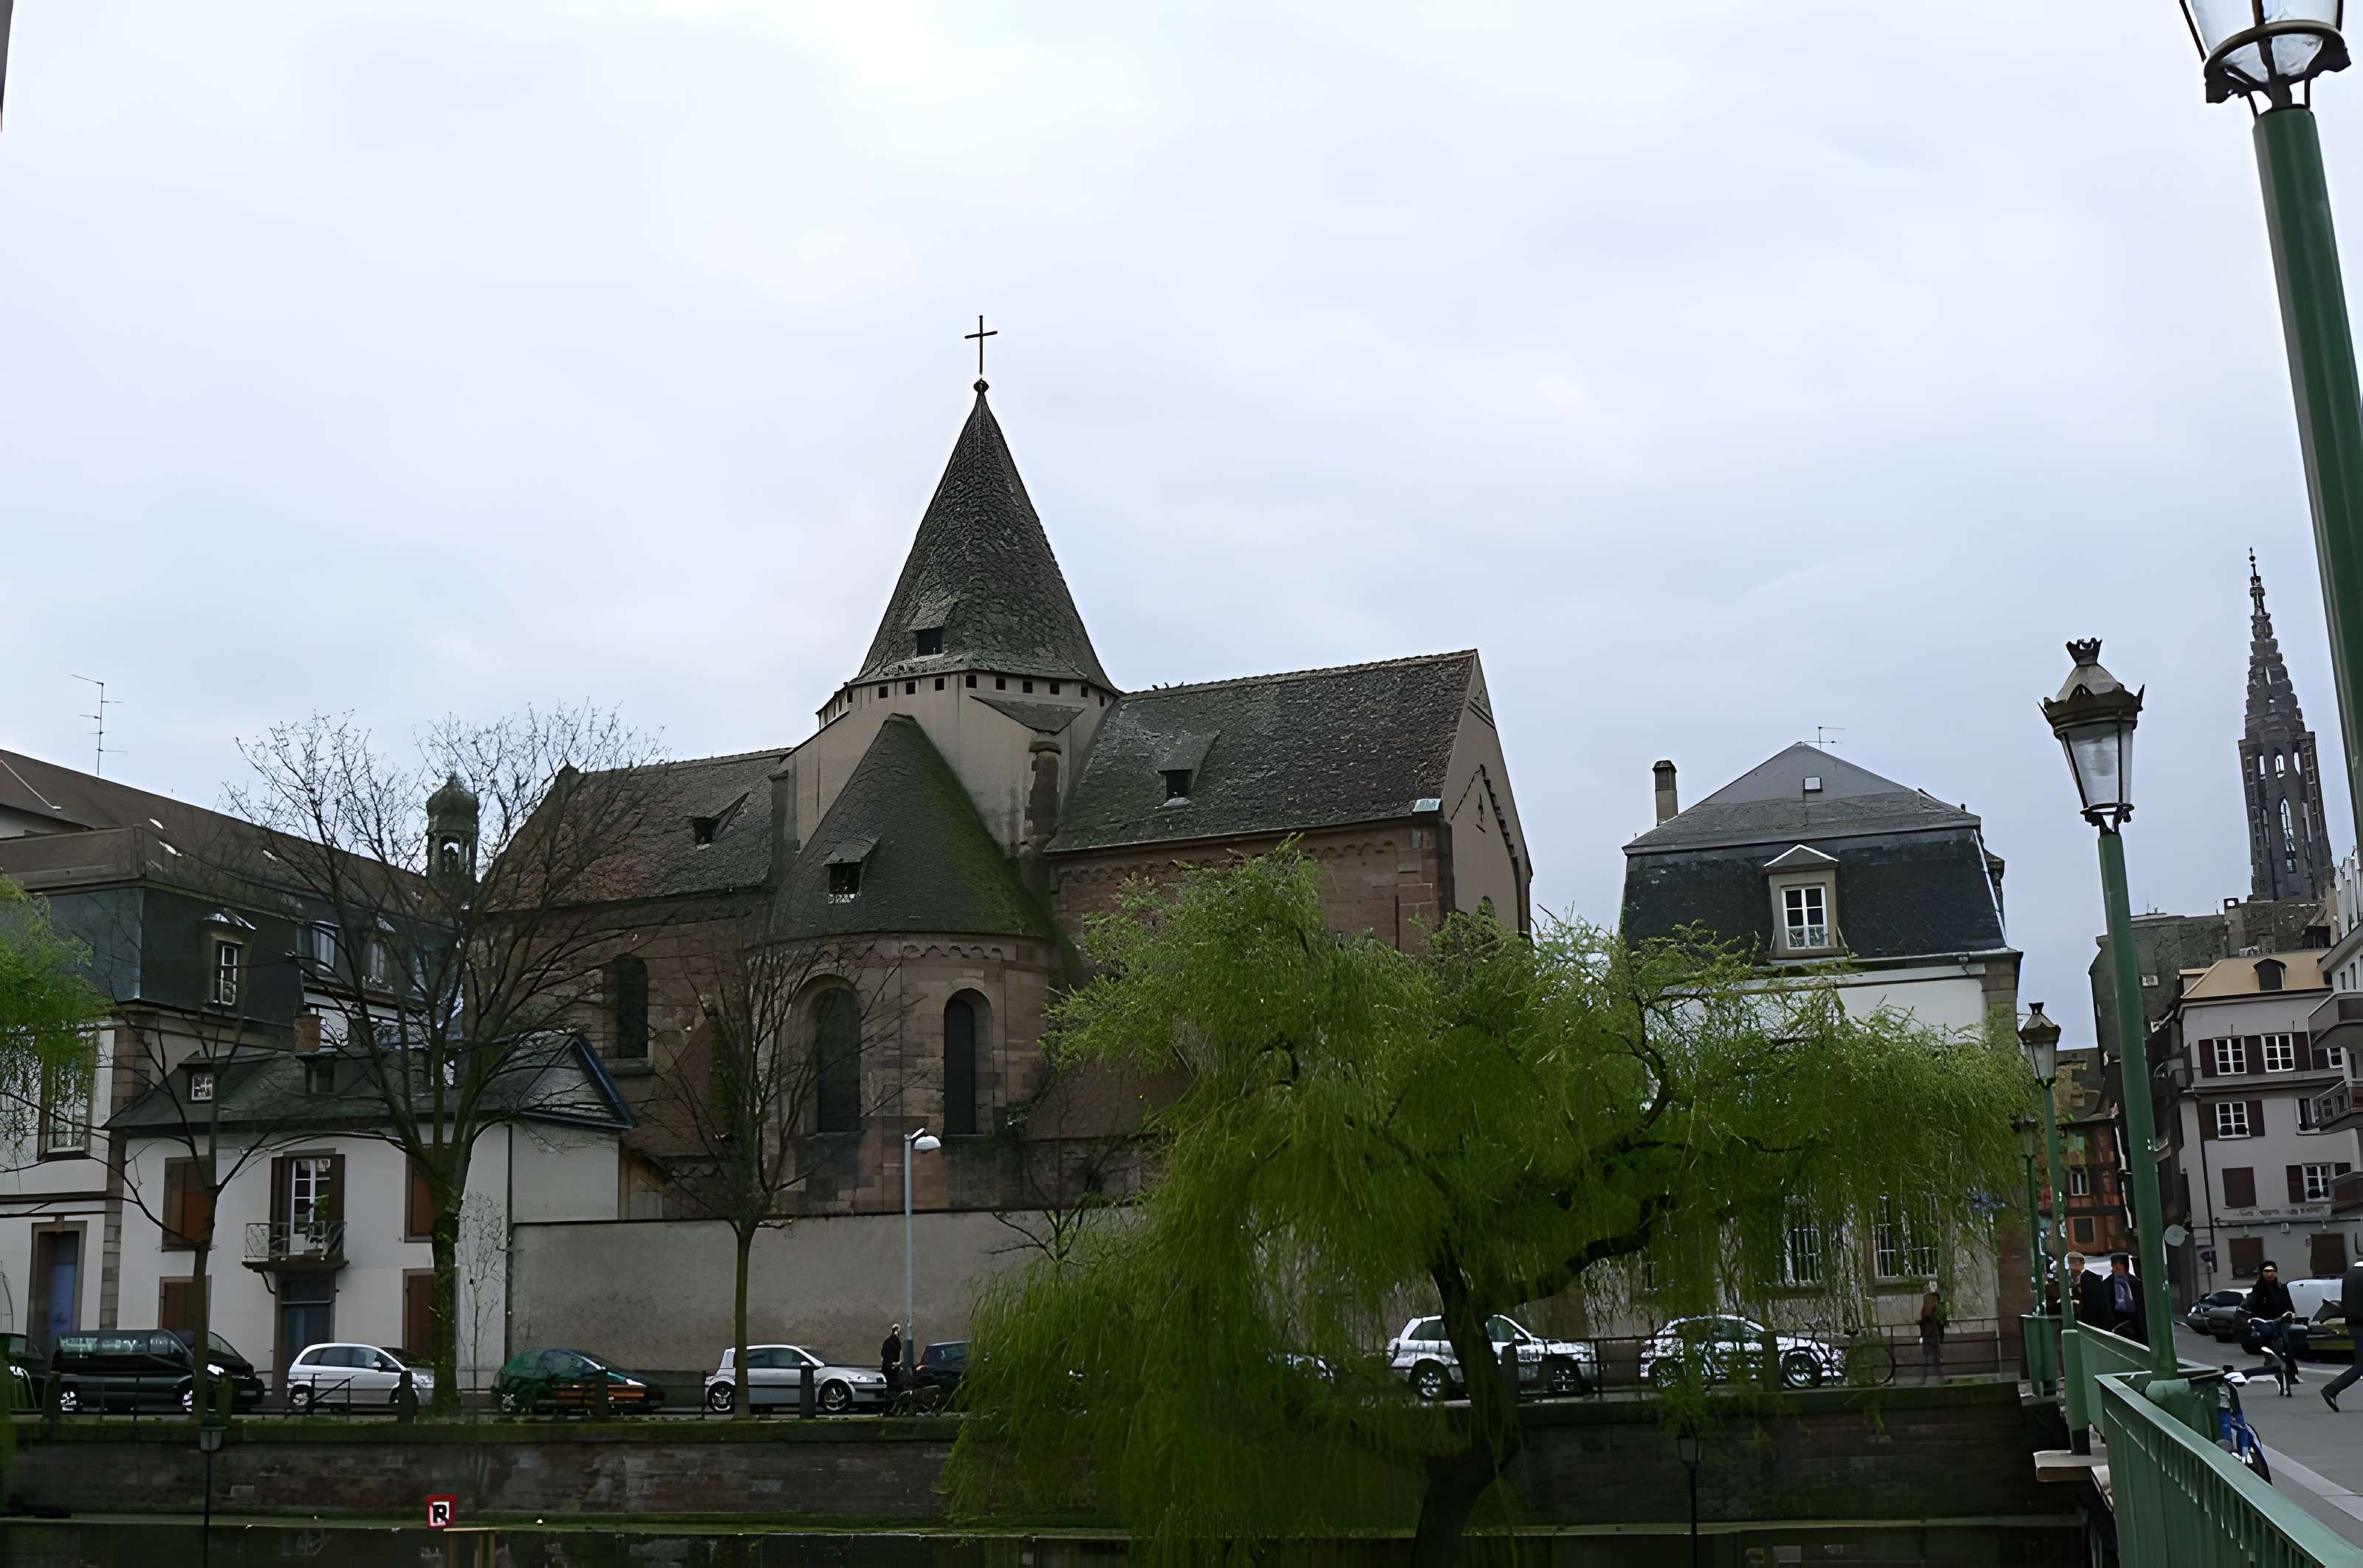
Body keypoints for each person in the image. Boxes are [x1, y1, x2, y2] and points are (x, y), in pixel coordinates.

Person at [2245, 1260, 2300, 1394]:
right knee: (2274, 1351)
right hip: (2264, 1324)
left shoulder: (2281, 1288)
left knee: (2287, 1347)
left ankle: (2290, 1374)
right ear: (2262, 1273)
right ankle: (2276, 1371)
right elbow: (2251, 1308)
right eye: (2267, 1271)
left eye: (2272, 1271)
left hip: (2281, 1323)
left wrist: (2291, 1315)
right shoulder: (2258, 1289)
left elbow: (2290, 1306)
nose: (2270, 1274)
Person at [2324, 1257, 2363, 1411]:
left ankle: (2332, 1390)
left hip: (2353, 1324)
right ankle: (2331, 1389)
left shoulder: (2349, 1274)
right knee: (2361, 1365)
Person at [2105, 1255, 2147, 1345]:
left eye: (2121, 1263)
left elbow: (2141, 1305)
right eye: (2115, 1263)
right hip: (2117, 1324)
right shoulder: (2108, 1283)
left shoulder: (2135, 1282)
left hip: (2136, 1324)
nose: (2118, 1266)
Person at [1918, 1286, 1947, 1381]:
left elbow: (1940, 1323)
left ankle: (1933, 1376)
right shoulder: (1929, 1312)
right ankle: (1928, 1377)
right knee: (1929, 1358)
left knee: (1935, 1357)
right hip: (1929, 1335)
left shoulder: (1934, 1311)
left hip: (1932, 1335)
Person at [881, 1321, 905, 1397]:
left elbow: (883, 1353)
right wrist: (894, 1363)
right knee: (893, 1383)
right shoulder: (895, 1341)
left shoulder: (888, 1340)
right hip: (892, 1366)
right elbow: (893, 1353)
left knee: (889, 1383)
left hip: (888, 1365)